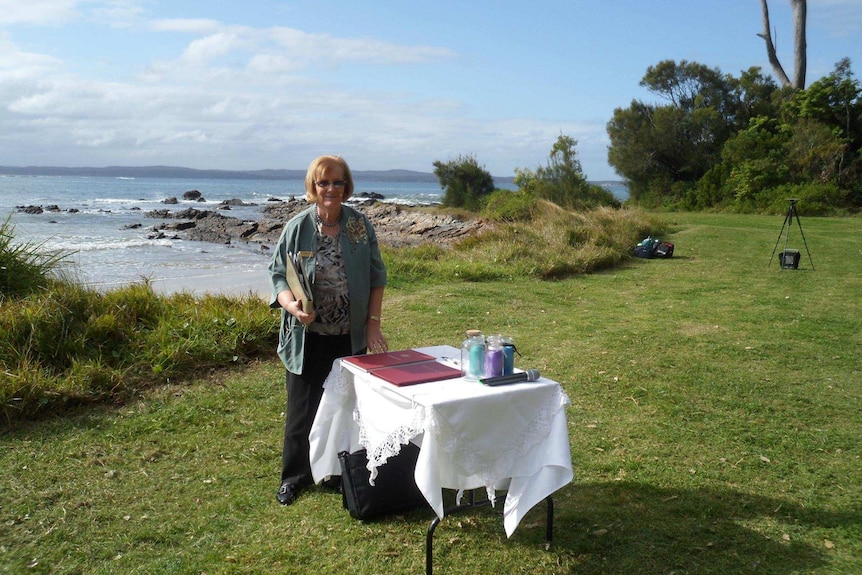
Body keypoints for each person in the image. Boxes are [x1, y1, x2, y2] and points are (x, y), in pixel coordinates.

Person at [268, 155, 388, 506]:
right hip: (307, 337)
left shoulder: (358, 226)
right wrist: (292, 307)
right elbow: (278, 274)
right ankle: (295, 477)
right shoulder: (299, 226)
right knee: (301, 412)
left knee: (343, 408)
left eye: (337, 183)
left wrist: (372, 326)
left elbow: (377, 277)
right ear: (313, 187)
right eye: (323, 183)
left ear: (346, 187)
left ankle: (339, 472)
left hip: (348, 337)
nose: (330, 189)